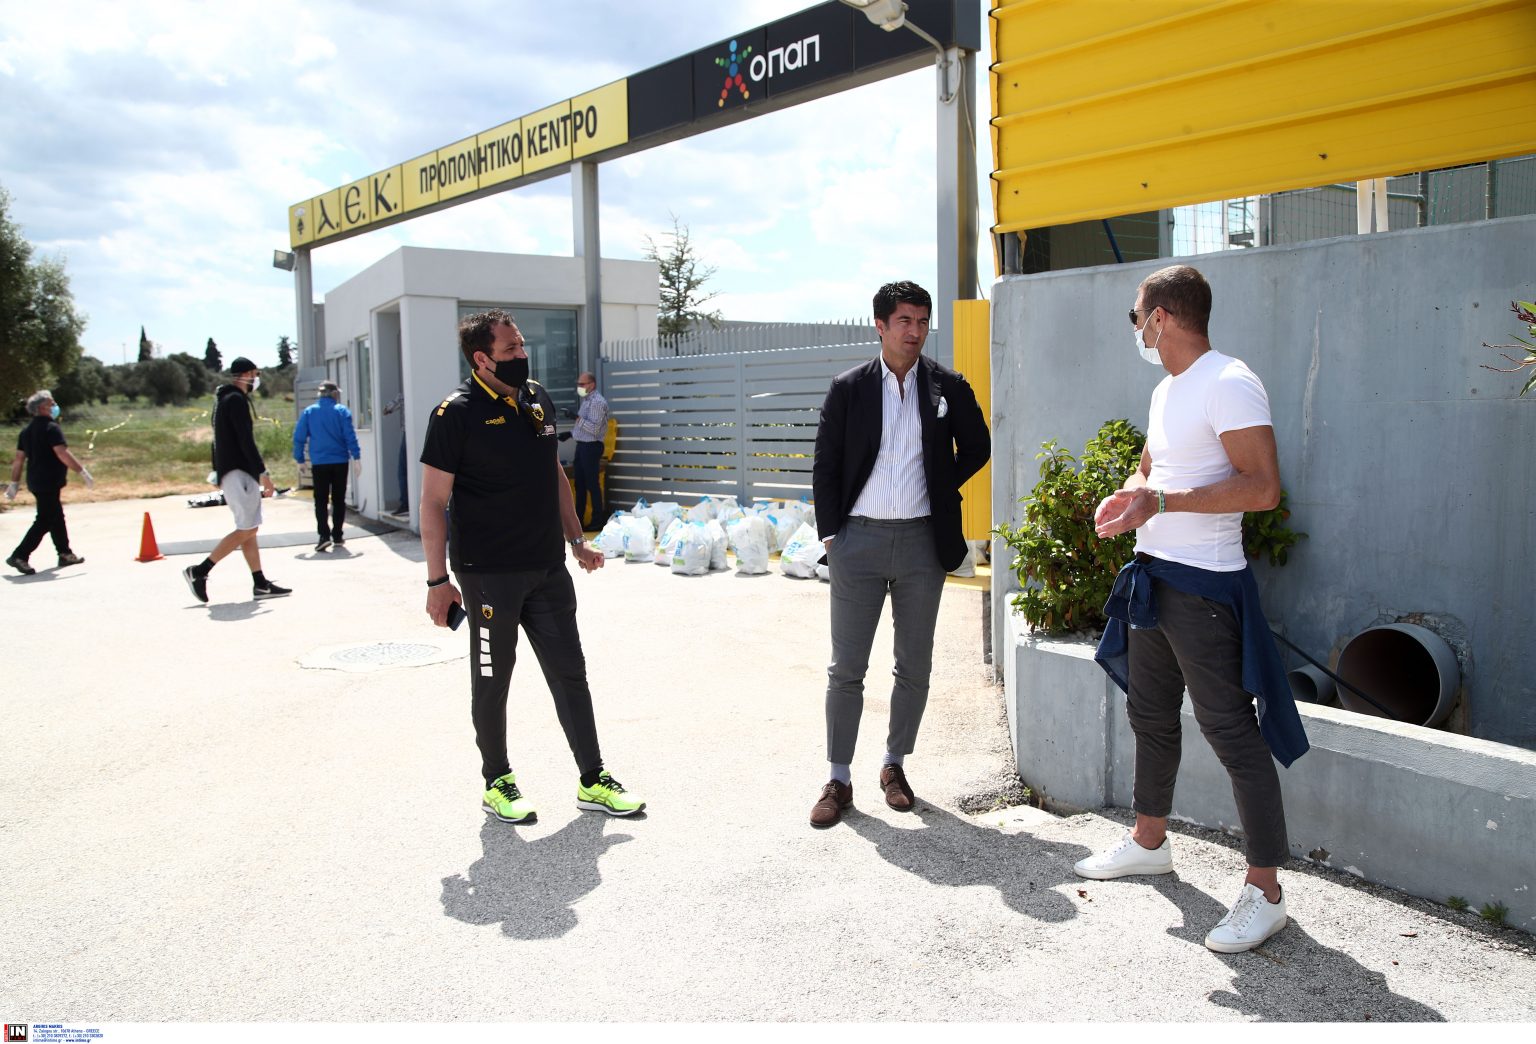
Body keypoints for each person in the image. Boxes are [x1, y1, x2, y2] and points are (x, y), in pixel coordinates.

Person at [1081, 264, 1308, 953]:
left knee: (1231, 733)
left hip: (1206, 587)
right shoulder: (1167, 389)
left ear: (1161, 318)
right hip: (1154, 576)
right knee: (1149, 713)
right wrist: (1129, 494)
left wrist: (1162, 502)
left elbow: (1262, 488)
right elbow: (1151, 470)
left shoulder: (1229, 381)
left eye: (1136, 316)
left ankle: (1266, 893)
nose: (1135, 328)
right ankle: (1150, 841)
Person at [419, 309, 644, 824]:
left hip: (546, 566)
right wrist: (437, 581)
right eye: (511, 349)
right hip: (487, 573)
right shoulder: (454, 413)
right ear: (482, 358)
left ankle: (593, 779)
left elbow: (553, 474)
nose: (523, 355)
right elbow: (432, 501)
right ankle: (497, 781)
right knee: (493, 678)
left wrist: (576, 540)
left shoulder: (537, 397)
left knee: (570, 673)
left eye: (522, 346)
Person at [808, 281, 991, 827]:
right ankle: (838, 778)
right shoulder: (849, 388)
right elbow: (825, 464)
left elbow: (978, 446)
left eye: (923, 321)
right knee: (846, 667)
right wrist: (831, 536)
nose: (916, 331)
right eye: (905, 321)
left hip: (921, 544)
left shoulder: (947, 385)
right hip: (857, 542)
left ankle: (894, 765)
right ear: (881, 326)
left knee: (914, 665)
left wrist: (940, 484)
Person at [182, 357, 291, 603]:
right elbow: (245, 440)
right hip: (240, 471)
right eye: (255, 373)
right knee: (248, 528)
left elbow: (218, 440)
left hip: (231, 471)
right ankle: (199, 571)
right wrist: (264, 474)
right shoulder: (235, 400)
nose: (256, 378)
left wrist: (218, 471)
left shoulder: (224, 400)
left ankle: (260, 583)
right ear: (245, 375)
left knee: (249, 529)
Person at [6, 389, 91, 574]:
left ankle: (65, 553)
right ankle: (20, 555)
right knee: (45, 519)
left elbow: (19, 460)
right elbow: (62, 453)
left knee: (56, 516)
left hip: (36, 481)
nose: (54, 406)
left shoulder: (26, 431)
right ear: (42, 407)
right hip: (49, 481)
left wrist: (14, 483)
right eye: (51, 404)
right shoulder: (51, 428)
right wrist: (81, 471)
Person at [293, 379, 361, 552]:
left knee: (321, 500)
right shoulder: (341, 411)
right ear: (334, 394)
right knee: (338, 499)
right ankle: (337, 534)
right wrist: (357, 456)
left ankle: (323, 535)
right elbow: (350, 436)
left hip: (319, 463)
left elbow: (299, 437)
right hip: (340, 462)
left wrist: (300, 459)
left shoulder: (310, 412)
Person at [560, 371, 609, 529]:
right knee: (579, 485)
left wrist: (575, 417)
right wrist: (570, 434)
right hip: (582, 446)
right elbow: (583, 428)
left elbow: (594, 430)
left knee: (592, 485)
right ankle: (578, 521)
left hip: (591, 447)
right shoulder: (587, 401)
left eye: (582, 384)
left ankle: (597, 521)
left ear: (592, 385)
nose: (579, 387)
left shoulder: (597, 402)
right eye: (578, 384)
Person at [383, 392, 408, 514]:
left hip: (407, 434)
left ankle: (405, 503)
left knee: (402, 471)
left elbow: (387, 409)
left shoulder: (403, 395)